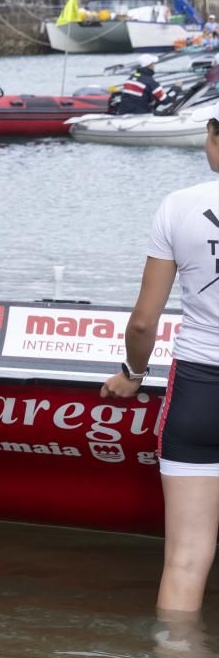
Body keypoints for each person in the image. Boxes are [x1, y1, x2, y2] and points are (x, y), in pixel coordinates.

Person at [100, 106, 219, 614]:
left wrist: (132, 375)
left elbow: (144, 322)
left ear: (214, 138)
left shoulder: (179, 206)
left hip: (199, 391)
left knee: (187, 561)